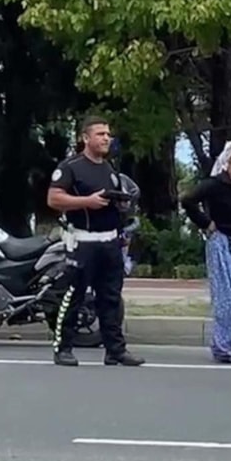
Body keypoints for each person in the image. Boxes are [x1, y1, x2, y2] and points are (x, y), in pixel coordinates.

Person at [47, 116, 145, 367]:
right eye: (100, 134)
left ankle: (115, 350)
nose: (106, 138)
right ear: (85, 138)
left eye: (108, 134)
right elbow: (54, 198)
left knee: (111, 298)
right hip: (83, 242)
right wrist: (86, 202)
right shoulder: (71, 167)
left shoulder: (108, 169)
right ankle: (63, 348)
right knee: (74, 296)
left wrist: (121, 205)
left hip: (110, 242)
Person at [181, 139, 231, 363]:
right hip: (222, 240)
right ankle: (222, 346)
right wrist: (206, 223)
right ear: (230, 159)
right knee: (227, 296)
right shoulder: (215, 184)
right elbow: (188, 200)